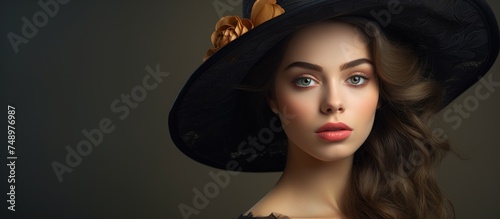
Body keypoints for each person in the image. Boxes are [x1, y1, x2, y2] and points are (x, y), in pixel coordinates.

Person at [169, 0, 499, 218]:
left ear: (381, 87)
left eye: (356, 78)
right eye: (305, 81)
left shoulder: (394, 204)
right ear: (272, 96)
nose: (333, 103)